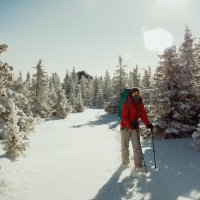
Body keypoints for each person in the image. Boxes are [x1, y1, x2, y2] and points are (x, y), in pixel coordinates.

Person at [120, 87, 153, 169]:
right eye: (134, 93)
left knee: (137, 146)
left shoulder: (140, 103)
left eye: (137, 93)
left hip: (135, 127)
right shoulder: (127, 102)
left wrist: (148, 124)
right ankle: (125, 163)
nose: (136, 94)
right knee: (125, 146)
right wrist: (130, 124)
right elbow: (124, 117)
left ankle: (138, 166)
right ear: (131, 94)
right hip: (125, 127)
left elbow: (143, 115)